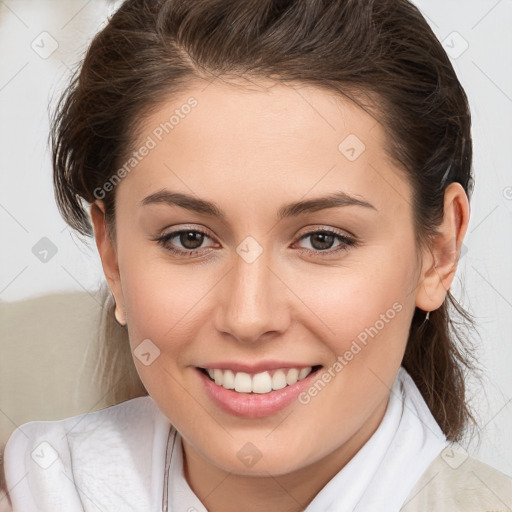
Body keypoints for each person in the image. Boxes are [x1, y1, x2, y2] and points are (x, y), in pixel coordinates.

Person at [2, 0, 512, 510]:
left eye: (322, 239)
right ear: (112, 257)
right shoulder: (38, 487)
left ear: (439, 251)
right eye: (189, 238)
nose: (249, 318)